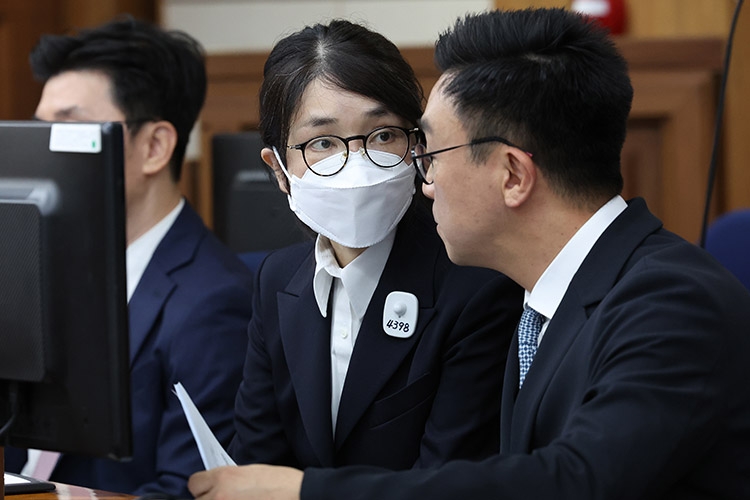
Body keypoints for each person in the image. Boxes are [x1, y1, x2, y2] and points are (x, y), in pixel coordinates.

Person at [188, 8, 750, 500]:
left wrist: (302, 492)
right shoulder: (545, 302)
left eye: (427, 150)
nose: (424, 180)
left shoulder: (673, 301)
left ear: (512, 175)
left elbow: (574, 481)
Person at [225, 19, 522, 472]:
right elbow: (255, 463)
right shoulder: (276, 281)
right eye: (323, 142)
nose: (356, 164)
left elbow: (449, 482)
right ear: (278, 170)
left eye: (383, 135)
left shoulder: (475, 286)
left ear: (417, 145)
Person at [5, 17, 254, 497]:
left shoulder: (215, 304)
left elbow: (188, 489)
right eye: (40, 129)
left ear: (154, 146)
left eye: (67, 128)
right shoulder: (32, 273)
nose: (43, 150)